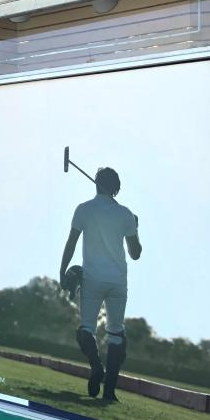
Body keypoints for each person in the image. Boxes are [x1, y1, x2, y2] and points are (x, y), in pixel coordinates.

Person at [59, 167, 142, 402]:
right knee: (116, 334)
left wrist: (61, 270)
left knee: (86, 328)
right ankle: (109, 393)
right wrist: (135, 227)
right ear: (116, 188)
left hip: (92, 279)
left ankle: (96, 366)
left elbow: (71, 243)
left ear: (96, 184)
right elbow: (135, 254)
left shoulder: (84, 209)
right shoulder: (126, 214)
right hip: (117, 281)